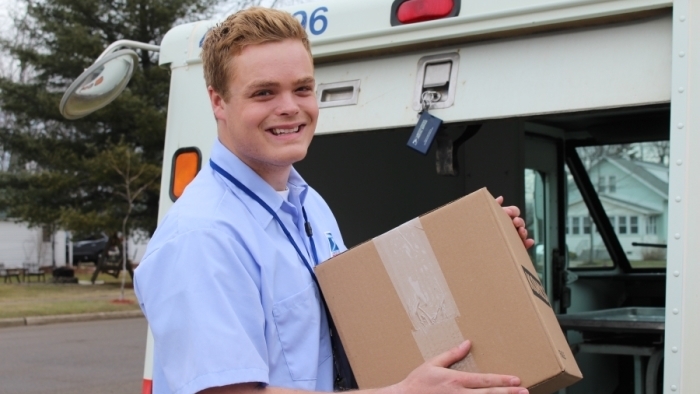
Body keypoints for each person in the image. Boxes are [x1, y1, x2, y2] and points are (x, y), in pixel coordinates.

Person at [135, 7, 534, 394]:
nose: (290, 108)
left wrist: (482, 254)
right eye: (264, 93)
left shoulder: (309, 205)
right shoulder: (201, 238)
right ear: (218, 101)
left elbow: (359, 320)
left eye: (302, 89)